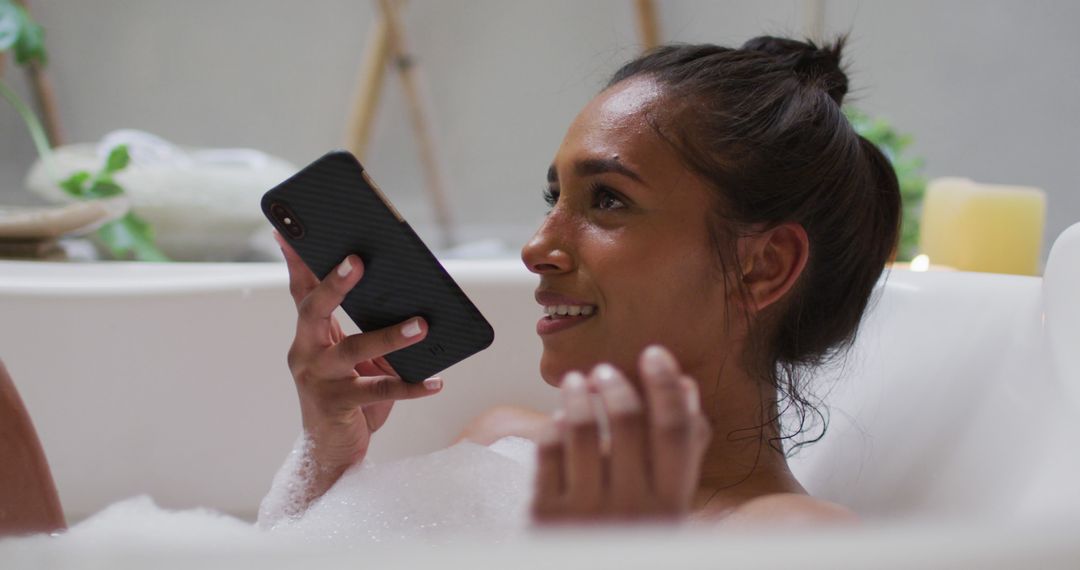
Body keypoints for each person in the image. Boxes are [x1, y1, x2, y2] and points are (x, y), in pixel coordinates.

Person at [272, 35, 900, 526]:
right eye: (554, 197)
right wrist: (326, 458)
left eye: (607, 201)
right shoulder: (502, 445)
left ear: (762, 266)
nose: (536, 248)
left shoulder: (794, 540)